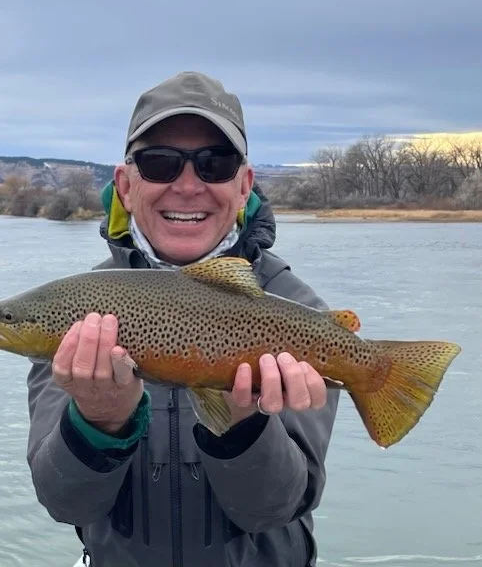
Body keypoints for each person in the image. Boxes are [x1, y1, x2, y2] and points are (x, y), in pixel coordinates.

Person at [26, 71, 339, 567]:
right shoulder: (87, 310)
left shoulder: (296, 315)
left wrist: (243, 426)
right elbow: (66, 504)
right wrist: (98, 421)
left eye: (215, 164)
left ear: (244, 185)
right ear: (125, 186)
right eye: (160, 164)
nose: (188, 186)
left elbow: (275, 508)